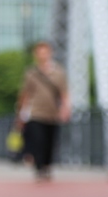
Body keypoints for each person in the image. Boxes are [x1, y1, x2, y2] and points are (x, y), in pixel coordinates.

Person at [16, 41, 71, 181]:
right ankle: (39, 168)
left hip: (52, 113)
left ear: (50, 53)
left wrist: (65, 108)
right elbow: (25, 94)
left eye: (45, 52)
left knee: (50, 142)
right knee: (37, 141)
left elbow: (64, 93)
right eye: (39, 52)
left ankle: (47, 166)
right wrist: (21, 113)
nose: (42, 55)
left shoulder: (59, 72)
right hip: (35, 113)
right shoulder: (31, 73)